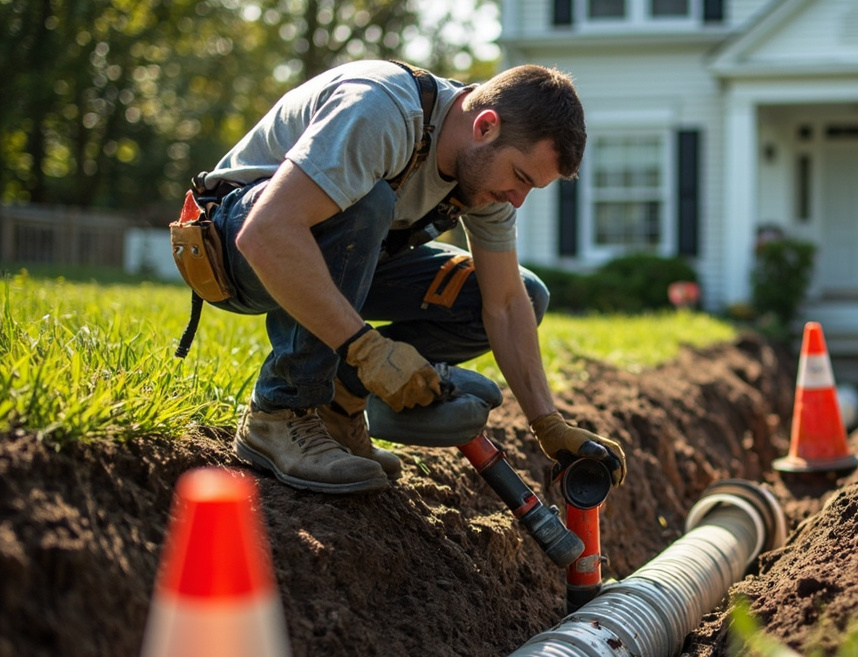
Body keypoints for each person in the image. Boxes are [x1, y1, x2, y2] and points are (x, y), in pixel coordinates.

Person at [194, 59, 626, 493]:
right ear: (486, 126)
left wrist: (547, 424)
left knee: (526, 295)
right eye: (519, 178)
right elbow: (267, 233)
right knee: (367, 202)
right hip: (234, 247)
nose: (516, 200)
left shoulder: (486, 176)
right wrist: (368, 350)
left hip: (346, 256)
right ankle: (280, 413)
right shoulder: (383, 111)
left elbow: (507, 305)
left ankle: (338, 407)